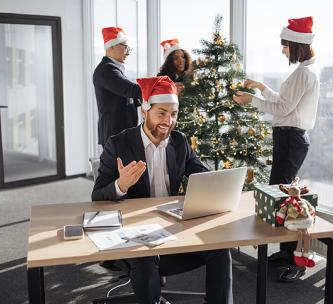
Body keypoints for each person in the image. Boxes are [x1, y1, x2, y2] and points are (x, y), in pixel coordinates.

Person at [92, 76, 233, 304]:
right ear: (144, 111)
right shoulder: (118, 144)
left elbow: (202, 174)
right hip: (137, 235)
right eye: (162, 113)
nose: (169, 120)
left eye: (174, 114)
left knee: (220, 250)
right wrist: (121, 185)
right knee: (146, 259)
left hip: (174, 230)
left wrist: (220, 183)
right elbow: (97, 196)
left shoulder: (180, 142)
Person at [233, 16, 320, 282]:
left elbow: (282, 109)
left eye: (285, 45)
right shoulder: (303, 73)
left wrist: (253, 100)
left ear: (296, 45)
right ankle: (286, 252)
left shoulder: (303, 74)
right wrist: (262, 88)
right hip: (289, 138)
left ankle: (297, 260)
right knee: (280, 195)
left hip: (291, 139)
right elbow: (284, 102)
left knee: (285, 198)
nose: (283, 50)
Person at [93, 26, 142, 147]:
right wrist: (160, 86)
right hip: (115, 134)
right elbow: (130, 90)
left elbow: (126, 96)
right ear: (111, 46)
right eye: (125, 47)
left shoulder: (115, 68)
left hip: (121, 132)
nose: (129, 52)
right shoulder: (107, 70)